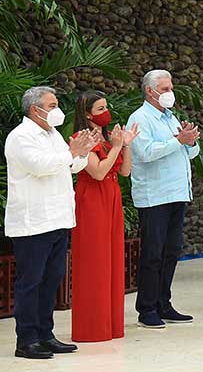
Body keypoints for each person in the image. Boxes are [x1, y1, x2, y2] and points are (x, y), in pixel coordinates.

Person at [5, 86, 97, 359]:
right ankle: (27, 339)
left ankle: (46, 334)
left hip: (58, 218)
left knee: (51, 280)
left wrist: (82, 153)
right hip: (33, 221)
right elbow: (40, 165)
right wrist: (72, 151)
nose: (57, 109)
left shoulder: (53, 134)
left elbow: (70, 166)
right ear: (36, 109)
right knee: (30, 281)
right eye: (52, 104)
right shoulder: (20, 137)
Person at [127, 69, 200, 329]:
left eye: (171, 88)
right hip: (154, 195)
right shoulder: (140, 118)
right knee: (152, 254)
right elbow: (145, 153)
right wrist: (178, 140)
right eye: (166, 89)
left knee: (171, 251)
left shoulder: (171, 117)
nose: (171, 93)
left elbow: (190, 153)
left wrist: (190, 142)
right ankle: (146, 308)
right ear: (150, 91)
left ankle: (164, 303)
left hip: (177, 193)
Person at [71, 91, 139, 342]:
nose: (106, 112)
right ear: (87, 113)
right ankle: (92, 326)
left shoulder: (109, 137)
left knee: (110, 258)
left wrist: (126, 144)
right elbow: (97, 172)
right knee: (94, 260)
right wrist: (118, 146)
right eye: (101, 109)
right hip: (92, 199)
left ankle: (110, 324)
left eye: (106, 107)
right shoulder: (82, 137)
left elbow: (125, 171)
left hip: (112, 197)